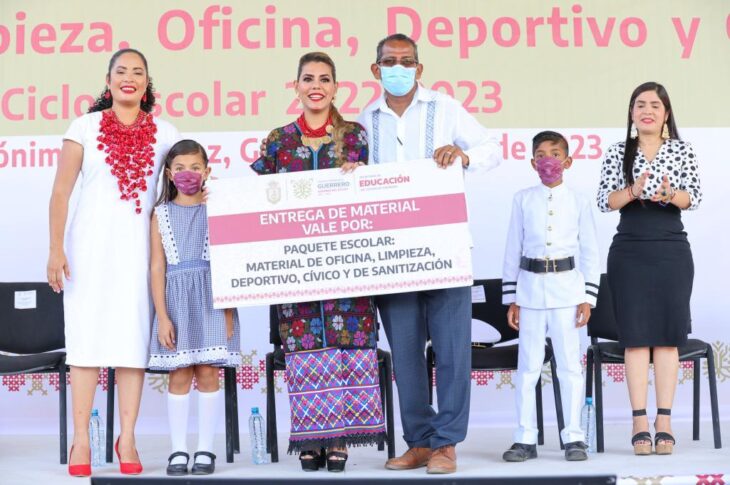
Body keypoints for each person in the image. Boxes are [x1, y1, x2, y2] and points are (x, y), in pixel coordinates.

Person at [357, 33, 501, 474]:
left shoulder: (445, 107)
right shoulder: (365, 121)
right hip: (392, 255)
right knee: (405, 353)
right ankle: (418, 441)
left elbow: (491, 148)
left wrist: (463, 155)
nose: (398, 68)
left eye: (407, 61)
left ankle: (446, 444)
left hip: (444, 248)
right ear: (376, 69)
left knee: (453, 349)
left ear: (419, 69)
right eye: (389, 61)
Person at [47, 48, 180, 477]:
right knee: (85, 344)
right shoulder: (84, 127)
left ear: (147, 83)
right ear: (108, 81)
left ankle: (128, 438)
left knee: (130, 344)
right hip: (86, 252)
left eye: (138, 72)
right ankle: (81, 438)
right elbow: (61, 192)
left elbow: (183, 188)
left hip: (140, 254)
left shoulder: (165, 132)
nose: (129, 77)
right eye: (121, 71)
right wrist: (55, 248)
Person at [250, 51, 385, 473]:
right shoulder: (277, 140)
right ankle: (311, 437)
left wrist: (360, 180)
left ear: (336, 87)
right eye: (308, 79)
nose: (316, 86)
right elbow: (258, 202)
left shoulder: (355, 137)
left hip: (347, 265)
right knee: (304, 345)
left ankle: (340, 437)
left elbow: (377, 194)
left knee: (347, 344)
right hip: (296, 268)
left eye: (324, 79)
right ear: (296, 87)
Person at [597, 81, 702, 455]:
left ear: (666, 113)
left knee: (668, 339)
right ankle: (639, 421)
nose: (647, 111)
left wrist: (670, 195)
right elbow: (604, 200)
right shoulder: (617, 151)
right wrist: (633, 192)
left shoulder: (682, 149)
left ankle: (665, 421)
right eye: (640, 104)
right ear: (631, 112)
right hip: (630, 250)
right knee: (637, 338)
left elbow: (694, 197)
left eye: (655, 105)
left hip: (671, 250)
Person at [501, 131, 600, 462]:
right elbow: (512, 248)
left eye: (555, 154)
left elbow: (590, 251)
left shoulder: (579, 200)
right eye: (541, 154)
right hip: (530, 292)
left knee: (569, 367)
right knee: (528, 367)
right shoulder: (522, 199)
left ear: (568, 161)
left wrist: (587, 297)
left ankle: (574, 437)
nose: (548, 160)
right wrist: (512, 297)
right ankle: (525, 438)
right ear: (532, 163)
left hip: (567, 291)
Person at [147, 140, 241, 476]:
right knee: (180, 374)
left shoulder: (218, 208)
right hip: (176, 304)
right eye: (180, 168)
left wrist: (228, 311)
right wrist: (162, 316)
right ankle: (178, 450)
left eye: (195, 167)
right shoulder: (160, 214)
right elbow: (157, 267)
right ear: (169, 174)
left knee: (208, 372)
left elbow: (230, 261)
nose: (188, 174)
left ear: (207, 171)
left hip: (213, 300)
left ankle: (205, 449)